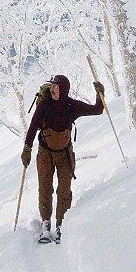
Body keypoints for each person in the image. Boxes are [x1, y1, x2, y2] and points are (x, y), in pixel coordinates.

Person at [21, 73, 104, 242]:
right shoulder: (44, 105)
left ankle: (61, 224)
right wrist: (27, 148)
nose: (52, 89)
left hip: (64, 155)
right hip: (45, 154)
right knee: (45, 188)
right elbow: (33, 126)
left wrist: (99, 93)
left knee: (64, 190)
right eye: (51, 86)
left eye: (56, 86)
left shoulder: (73, 106)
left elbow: (97, 110)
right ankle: (46, 224)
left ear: (63, 90)